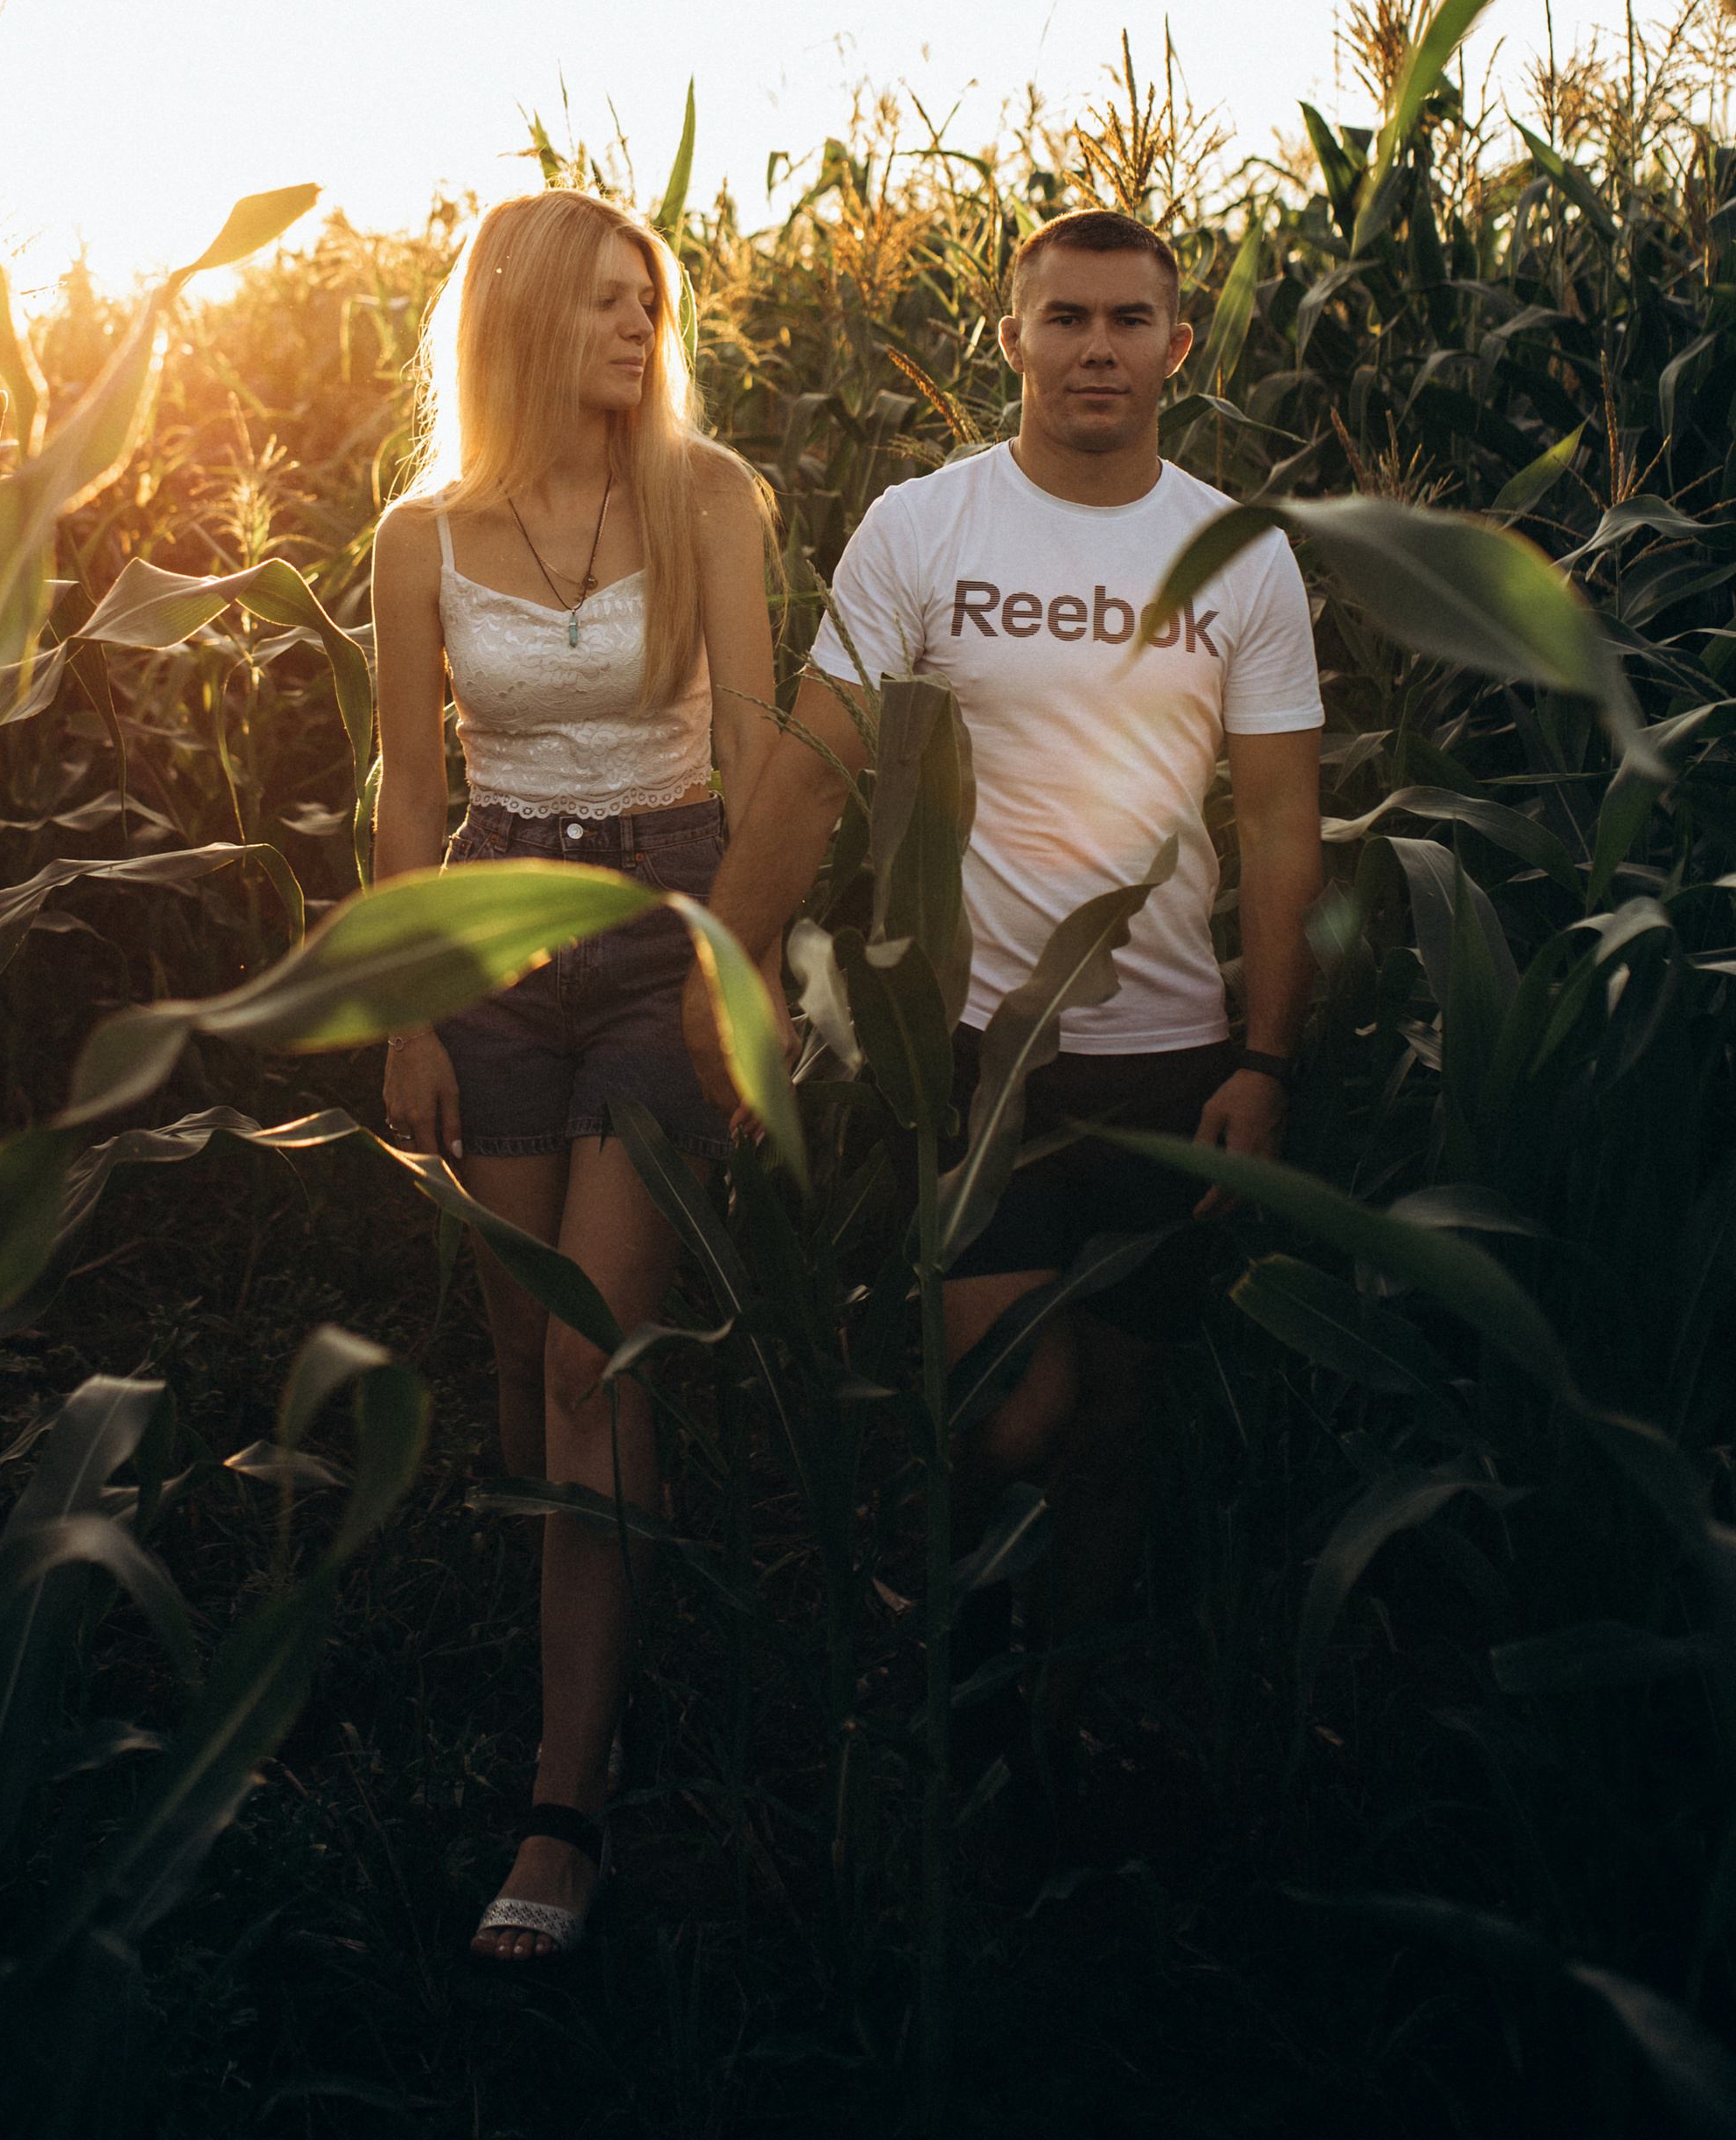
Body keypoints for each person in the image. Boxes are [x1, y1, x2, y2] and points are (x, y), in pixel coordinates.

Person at [681, 205, 1322, 1828]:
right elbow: (814, 760)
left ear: (1180, 347)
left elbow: (1279, 825)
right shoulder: (925, 526)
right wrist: (736, 968)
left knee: (1116, 1419)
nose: (1095, 348)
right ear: (1014, 338)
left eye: (1128, 321)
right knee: (1015, 1411)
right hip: (969, 1047)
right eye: (1064, 320)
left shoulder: (1238, 549)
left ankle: (1061, 1705)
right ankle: (962, 1617)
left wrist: (1264, 1056)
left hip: (1171, 1049)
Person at [371, 187, 780, 1959]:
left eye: (648, 300)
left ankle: (564, 1807)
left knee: (579, 1357)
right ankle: (623, 1620)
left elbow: (760, 752)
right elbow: (400, 789)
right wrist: (399, 1009)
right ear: (525, 317)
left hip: (665, 922)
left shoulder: (706, 495)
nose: (641, 327)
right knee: (527, 1374)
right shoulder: (417, 532)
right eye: (607, 302)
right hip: (482, 946)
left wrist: (744, 984)